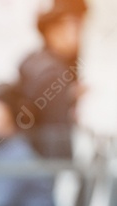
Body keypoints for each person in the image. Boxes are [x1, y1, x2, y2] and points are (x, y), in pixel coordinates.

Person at [17, 6, 85, 158]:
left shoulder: (33, 59)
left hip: (30, 150)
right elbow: (55, 127)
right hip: (45, 158)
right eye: (75, 29)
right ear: (53, 32)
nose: (79, 36)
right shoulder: (55, 73)